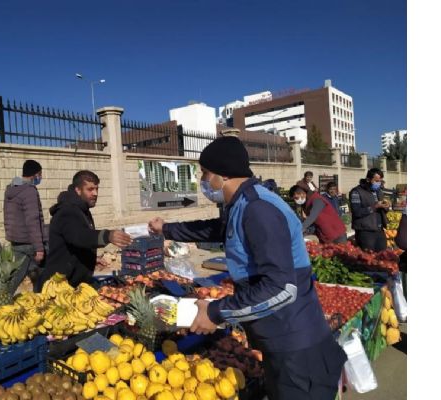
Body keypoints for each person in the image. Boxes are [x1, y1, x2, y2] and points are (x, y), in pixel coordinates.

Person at [148, 136, 346, 400]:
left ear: (222, 175)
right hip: (280, 342)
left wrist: (216, 312)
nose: (203, 180)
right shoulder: (242, 205)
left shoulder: (258, 209)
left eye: (205, 173)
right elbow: (214, 229)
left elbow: (281, 287)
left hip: (297, 348)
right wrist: (167, 229)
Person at [40, 170, 132, 287]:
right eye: (90, 189)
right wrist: (107, 236)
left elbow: (74, 245)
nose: (95, 193)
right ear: (78, 190)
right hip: (60, 286)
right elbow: (80, 236)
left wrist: (92, 258)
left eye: (96, 189)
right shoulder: (67, 211)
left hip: (76, 283)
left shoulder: (82, 210)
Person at [3, 160, 46, 293]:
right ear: (35, 174)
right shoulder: (29, 191)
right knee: (38, 272)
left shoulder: (11, 189)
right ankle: (2, 301)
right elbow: (32, 220)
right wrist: (39, 248)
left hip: (16, 239)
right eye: (40, 174)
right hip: (28, 241)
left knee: (19, 272)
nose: (41, 177)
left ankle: (3, 298)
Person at [348, 168, 389, 251]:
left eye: (380, 181)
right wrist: (375, 207)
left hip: (379, 229)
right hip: (365, 231)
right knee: (368, 258)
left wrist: (385, 207)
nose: (379, 183)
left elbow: (381, 209)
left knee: (383, 255)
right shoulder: (356, 192)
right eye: (376, 181)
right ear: (368, 179)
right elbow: (356, 212)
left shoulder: (378, 191)